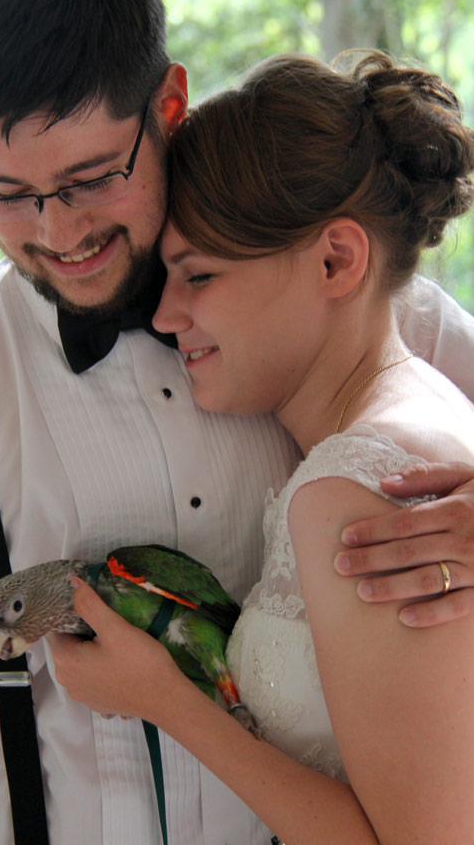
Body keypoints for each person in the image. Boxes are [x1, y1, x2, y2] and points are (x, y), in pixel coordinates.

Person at [0, 0, 474, 845]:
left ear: (171, 105)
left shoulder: (359, 309)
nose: (56, 230)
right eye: (4, 193)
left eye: (88, 178)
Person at [50, 51, 474, 843]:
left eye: (199, 276)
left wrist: (171, 703)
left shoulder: (352, 493)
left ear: (334, 260)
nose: (167, 317)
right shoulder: (433, 409)